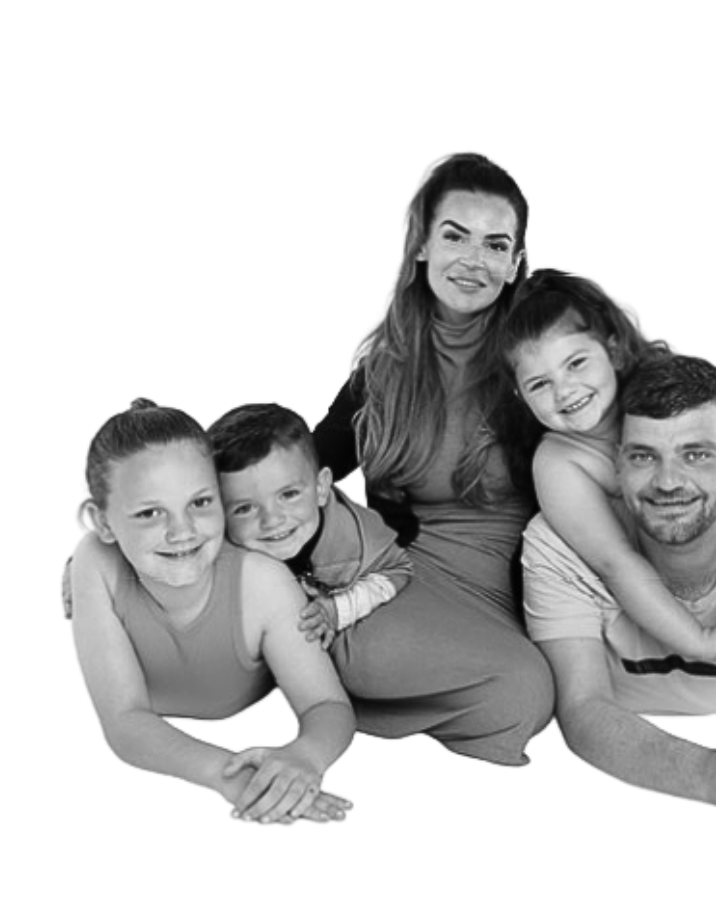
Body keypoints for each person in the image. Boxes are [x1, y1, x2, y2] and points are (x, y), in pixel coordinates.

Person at [522, 355, 716, 841]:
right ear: (618, 463)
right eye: (644, 456)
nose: (668, 482)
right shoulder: (557, 543)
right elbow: (584, 708)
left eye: (696, 454)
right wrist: (711, 775)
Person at [313, 152, 555, 765]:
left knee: (525, 698)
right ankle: (309, 641)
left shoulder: (542, 358)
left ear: (515, 264)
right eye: (455, 236)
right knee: (516, 687)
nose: (474, 260)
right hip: (395, 577)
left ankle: (324, 676)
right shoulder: (383, 367)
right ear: (421, 245)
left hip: (506, 590)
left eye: (496, 245)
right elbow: (309, 463)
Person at [66, 400, 355, 824]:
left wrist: (304, 755)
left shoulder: (263, 582)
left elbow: (328, 704)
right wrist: (232, 777)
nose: (182, 532)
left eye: (200, 503)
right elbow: (125, 719)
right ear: (102, 522)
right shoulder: (95, 563)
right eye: (149, 513)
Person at [502, 269, 716, 659]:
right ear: (521, 395)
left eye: (577, 363)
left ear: (614, 352)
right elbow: (616, 563)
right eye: (539, 384)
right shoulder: (558, 463)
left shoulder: (665, 394)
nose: (564, 390)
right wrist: (698, 642)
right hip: (622, 603)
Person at [208, 403, 412, 649]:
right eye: (244, 509)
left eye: (289, 494)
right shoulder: (222, 544)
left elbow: (399, 570)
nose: (272, 520)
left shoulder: (353, 541)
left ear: (321, 488)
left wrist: (338, 609)